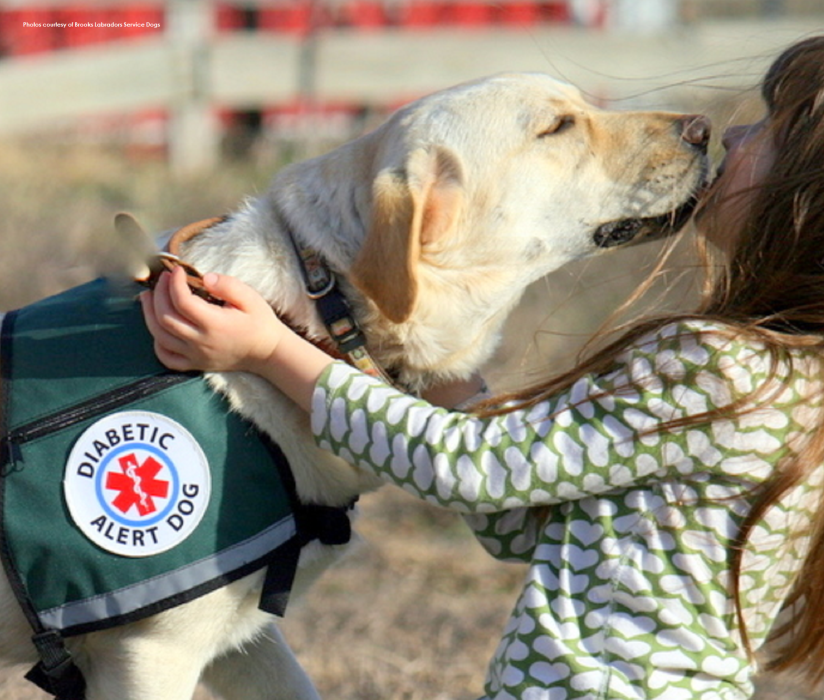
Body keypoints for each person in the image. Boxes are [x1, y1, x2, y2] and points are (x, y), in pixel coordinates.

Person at [142, 36, 824, 700]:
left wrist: (271, 351)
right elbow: (517, 517)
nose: (725, 134)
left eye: (767, 131)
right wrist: (444, 372)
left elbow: (470, 468)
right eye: (561, 125)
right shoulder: (782, 380)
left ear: (802, 208)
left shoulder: (708, 367)